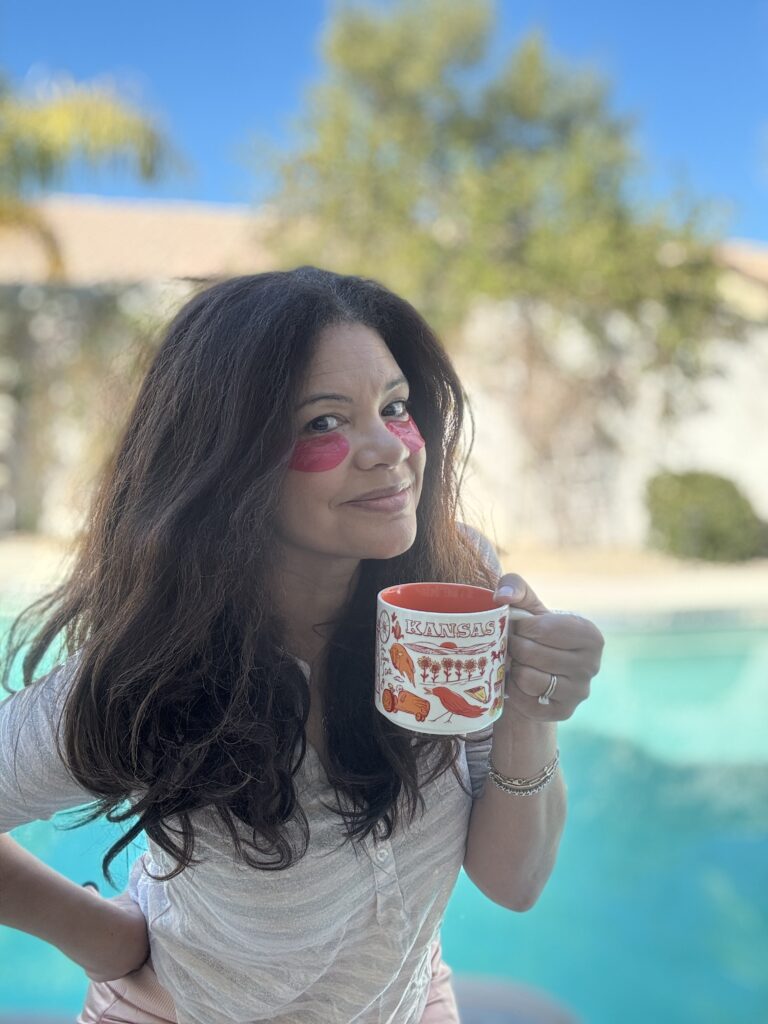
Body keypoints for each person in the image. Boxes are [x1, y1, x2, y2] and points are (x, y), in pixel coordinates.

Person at [0, 267, 604, 1023]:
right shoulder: (155, 672)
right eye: (323, 422)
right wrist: (103, 938)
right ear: (225, 463)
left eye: (394, 407)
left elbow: (514, 883)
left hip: (410, 1004)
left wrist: (527, 706)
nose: (389, 448)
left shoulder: (453, 588)